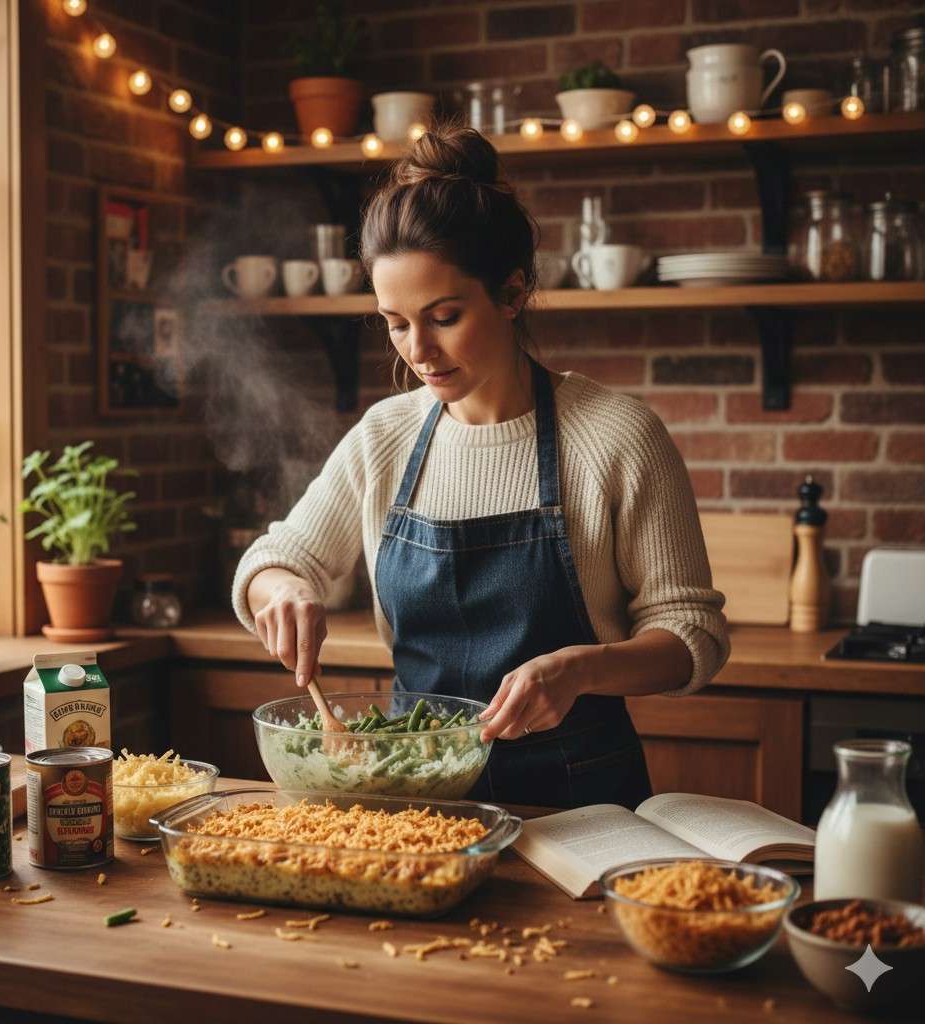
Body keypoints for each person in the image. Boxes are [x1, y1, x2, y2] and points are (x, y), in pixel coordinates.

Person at [233, 125, 729, 810]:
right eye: (395, 322)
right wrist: (281, 589)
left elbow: (691, 635)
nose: (419, 351)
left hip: (580, 805)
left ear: (513, 291)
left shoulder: (618, 436)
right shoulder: (385, 437)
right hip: (416, 804)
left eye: (444, 316)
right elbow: (272, 559)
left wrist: (583, 670)